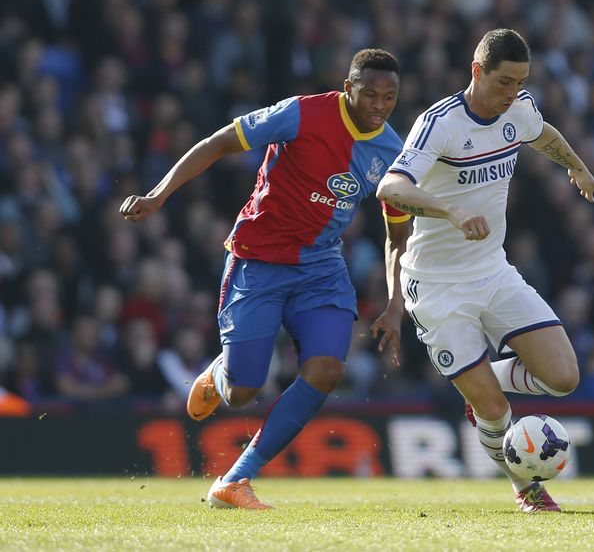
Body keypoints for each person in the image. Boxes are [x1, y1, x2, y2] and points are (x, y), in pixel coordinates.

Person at [120, 49, 409, 510]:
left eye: (389, 96)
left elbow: (398, 236)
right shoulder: (302, 112)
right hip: (260, 259)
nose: (379, 104)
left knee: (328, 370)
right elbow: (218, 143)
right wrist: (158, 195)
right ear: (348, 86)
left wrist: (395, 304)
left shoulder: (393, 153)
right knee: (243, 392)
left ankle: (235, 479)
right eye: (370, 93)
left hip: (322, 268)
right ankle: (220, 373)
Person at [376, 29, 594, 513]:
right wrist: (451, 212)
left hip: (493, 272)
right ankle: (526, 488)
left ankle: (474, 382)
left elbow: (544, 134)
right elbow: (390, 188)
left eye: (520, 82)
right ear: (477, 71)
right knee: (496, 411)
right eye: (503, 82)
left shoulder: (518, 109)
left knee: (564, 377)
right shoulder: (440, 124)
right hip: (436, 286)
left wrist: (576, 167)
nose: (511, 93)